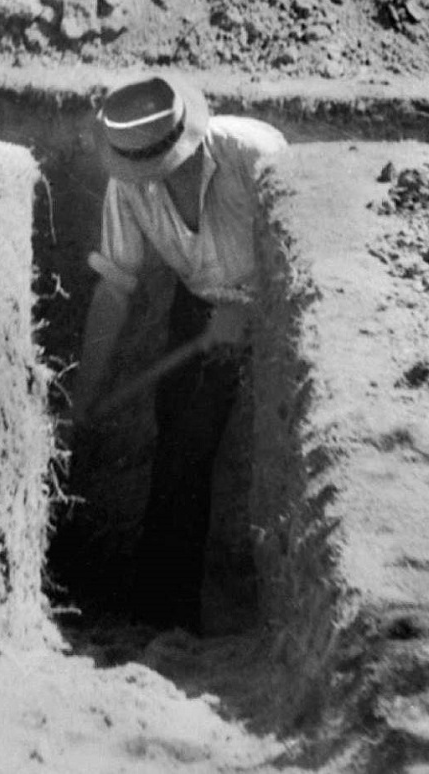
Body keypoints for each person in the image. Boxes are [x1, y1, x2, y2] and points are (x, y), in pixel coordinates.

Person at [68, 69, 287, 633]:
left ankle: (245, 615)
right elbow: (116, 287)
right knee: (179, 455)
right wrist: (84, 395)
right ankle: (165, 614)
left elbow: (302, 251)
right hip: (197, 310)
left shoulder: (253, 155)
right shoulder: (127, 185)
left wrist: (252, 309)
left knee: (259, 455)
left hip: (277, 314)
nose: (154, 178)